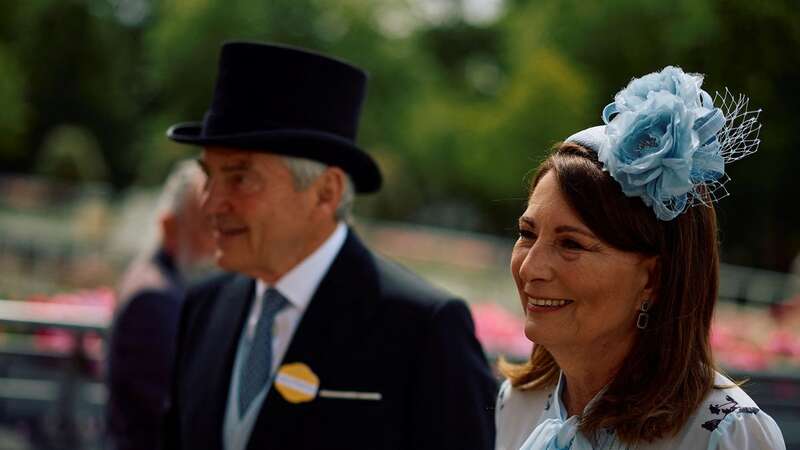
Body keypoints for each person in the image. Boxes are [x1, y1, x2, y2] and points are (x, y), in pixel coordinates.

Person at [159, 41, 497, 450]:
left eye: (240, 178)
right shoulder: (205, 305)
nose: (210, 203)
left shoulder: (422, 328)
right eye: (208, 176)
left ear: (325, 193)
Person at [495, 66, 786, 450]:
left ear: (654, 278)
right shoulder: (518, 401)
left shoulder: (726, 433)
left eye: (572, 245)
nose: (530, 267)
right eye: (527, 234)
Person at [106, 160, 215, 450]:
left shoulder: (158, 282)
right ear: (169, 227)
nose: (215, 244)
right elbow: (173, 408)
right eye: (205, 227)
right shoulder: (154, 298)